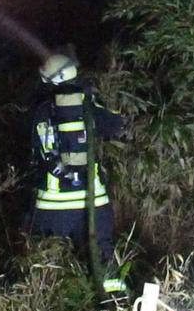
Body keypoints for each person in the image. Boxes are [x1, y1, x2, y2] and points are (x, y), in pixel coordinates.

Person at [25, 52, 130, 297]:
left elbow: (32, 149)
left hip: (50, 207)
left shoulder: (39, 111)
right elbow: (117, 125)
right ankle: (114, 310)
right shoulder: (87, 105)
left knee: (44, 262)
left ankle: (48, 308)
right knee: (103, 259)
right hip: (92, 203)